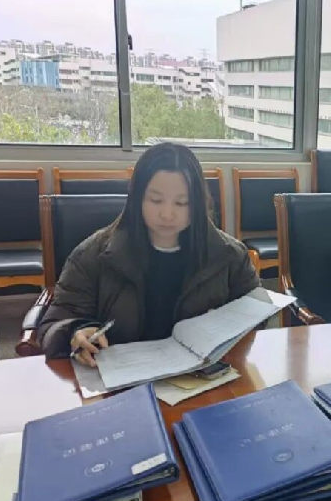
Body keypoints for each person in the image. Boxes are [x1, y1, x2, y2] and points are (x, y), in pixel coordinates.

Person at [38, 143, 259, 366]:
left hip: (200, 376)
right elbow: (54, 323)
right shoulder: (94, 255)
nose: (167, 214)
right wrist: (76, 331)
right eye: (155, 200)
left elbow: (256, 319)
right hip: (120, 377)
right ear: (137, 199)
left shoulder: (230, 256)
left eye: (182, 203)